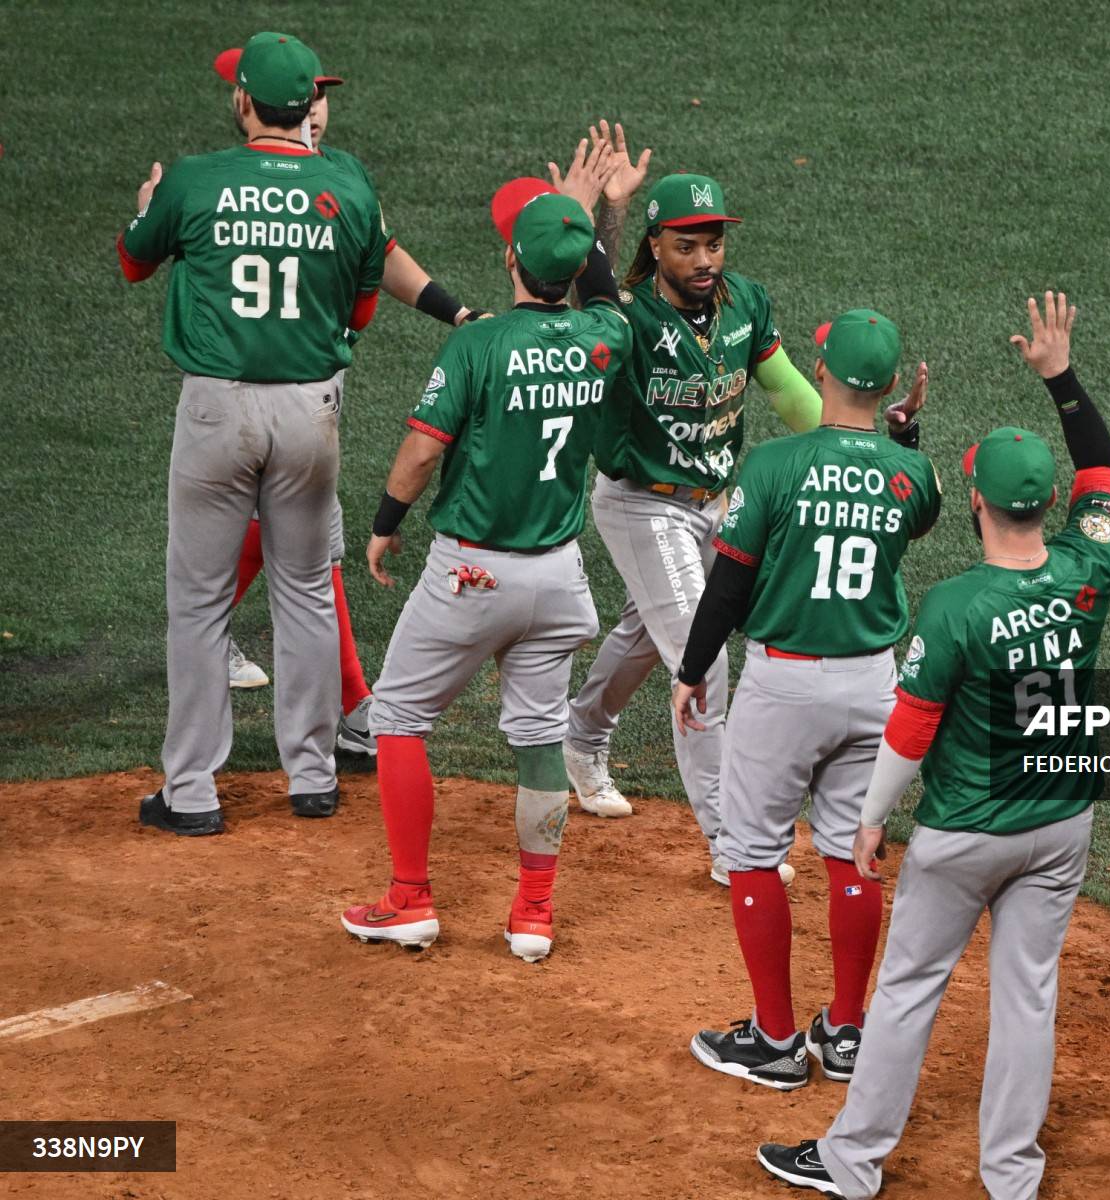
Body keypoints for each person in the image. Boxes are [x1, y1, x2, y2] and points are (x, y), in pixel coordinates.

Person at [756, 292, 1110, 1198]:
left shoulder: (958, 606)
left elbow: (912, 728)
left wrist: (871, 818)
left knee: (909, 990)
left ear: (976, 500)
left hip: (965, 832)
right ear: (1047, 506)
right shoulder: (1090, 570)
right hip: (1062, 824)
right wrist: (1061, 380)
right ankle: (1011, 1178)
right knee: (1027, 998)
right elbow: (1105, 472)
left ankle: (852, 1163)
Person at [339, 145, 632, 962]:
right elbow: (604, 290)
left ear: (509, 259)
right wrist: (596, 216)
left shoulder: (478, 345)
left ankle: (410, 901)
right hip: (559, 580)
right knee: (539, 738)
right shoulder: (607, 335)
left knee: (396, 719)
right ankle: (533, 915)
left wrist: (386, 520)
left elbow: (422, 451)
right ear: (571, 272)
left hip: (471, 572)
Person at [120, 31, 387, 835]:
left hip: (217, 410)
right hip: (311, 412)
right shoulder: (348, 182)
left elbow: (134, 263)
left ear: (243, 103)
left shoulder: (196, 179)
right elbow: (365, 312)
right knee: (306, 590)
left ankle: (193, 792)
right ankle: (311, 777)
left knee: (199, 603)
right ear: (309, 106)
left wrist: (146, 207)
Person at [674, 310, 936, 1089]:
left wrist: (692, 669)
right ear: (892, 386)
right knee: (853, 851)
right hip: (874, 687)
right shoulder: (910, 473)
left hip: (784, 684)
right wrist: (901, 440)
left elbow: (730, 581)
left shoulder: (775, 464)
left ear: (819, 370)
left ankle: (776, 1042)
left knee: (751, 853)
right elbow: (906, 511)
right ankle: (848, 1032)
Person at [204, 44, 487, 758]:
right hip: (266, 400)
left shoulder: (326, 179)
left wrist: (455, 314)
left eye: (324, 95)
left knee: (281, 531)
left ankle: (209, 630)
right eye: (308, 95)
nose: (319, 109)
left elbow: (385, 255)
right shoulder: (287, 184)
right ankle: (353, 706)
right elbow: (360, 307)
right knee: (312, 537)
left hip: (285, 401)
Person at [562, 163, 823, 873]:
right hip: (642, 503)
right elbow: (591, 290)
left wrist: (846, 439)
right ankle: (730, 839)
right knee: (702, 661)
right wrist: (605, 213)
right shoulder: (631, 312)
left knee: (652, 629)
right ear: (656, 246)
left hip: (717, 503)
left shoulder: (746, 305)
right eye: (687, 246)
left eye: (713, 243)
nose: (704, 260)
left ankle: (581, 734)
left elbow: (788, 391)